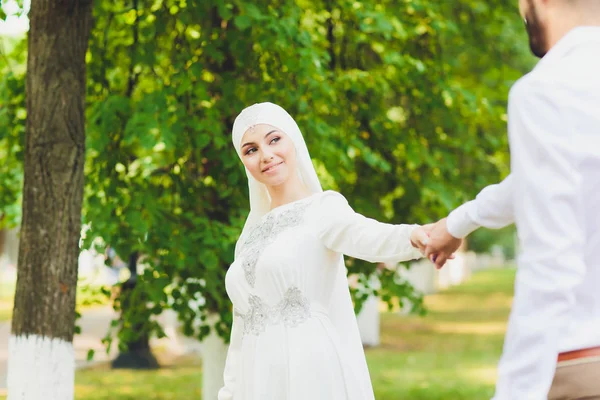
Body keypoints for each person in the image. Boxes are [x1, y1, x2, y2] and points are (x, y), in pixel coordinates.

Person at [424, 0, 600, 398]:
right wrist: (458, 224)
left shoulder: (549, 90)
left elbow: (552, 264)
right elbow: (532, 182)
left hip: (584, 362)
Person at [218, 102, 429, 400]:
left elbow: (370, 236)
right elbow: (241, 326)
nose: (266, 155)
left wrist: (418, 236)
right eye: (250, 150)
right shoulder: (250, 236)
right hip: (258, 379)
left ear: (294, 140)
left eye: (274, 139)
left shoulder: (322, 208)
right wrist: (229, 393)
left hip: (309, 371)